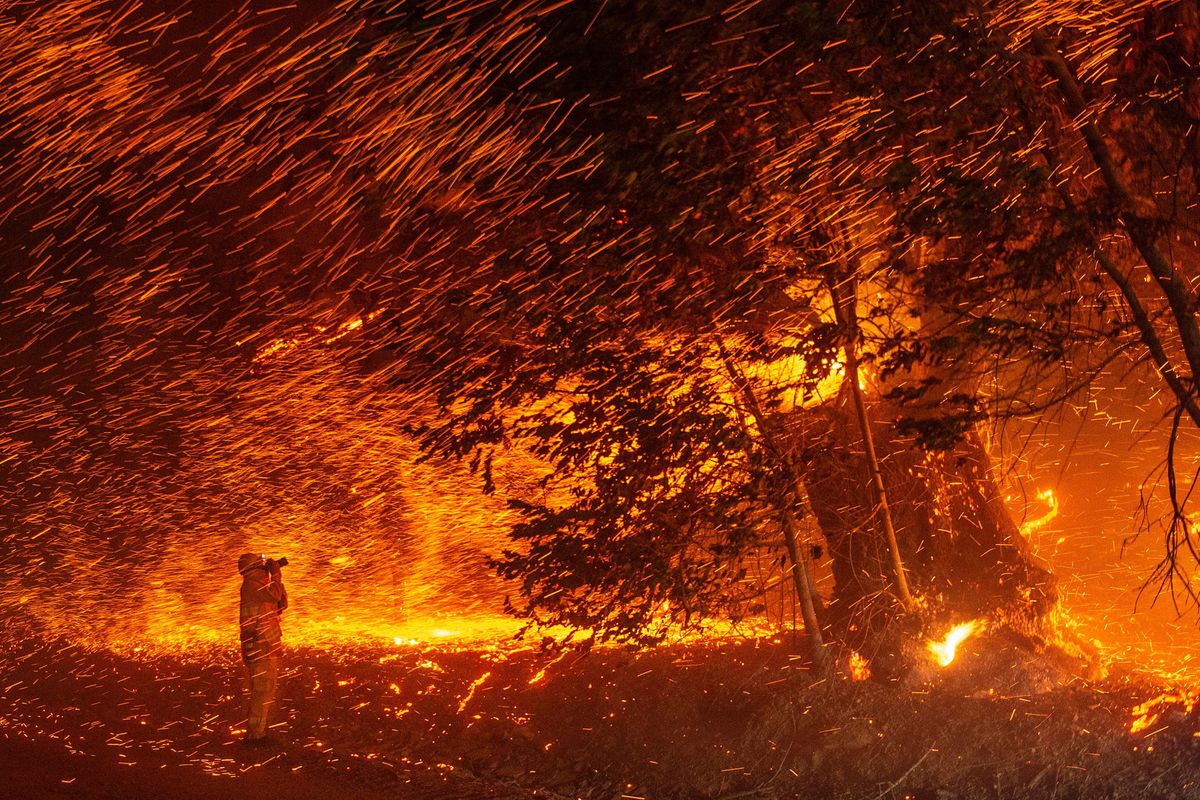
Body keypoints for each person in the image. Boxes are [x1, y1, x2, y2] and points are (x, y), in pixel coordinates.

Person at [237, 553, 288, 743]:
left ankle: (259, 732)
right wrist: (276, 575)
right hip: (259, 648)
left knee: (265, 692)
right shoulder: (251, 585)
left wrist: (277, 578)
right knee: (261, 692)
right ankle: (255, 736)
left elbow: (281, 603)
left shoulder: (260, 588)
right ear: (254, 569)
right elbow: (274, 594)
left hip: (267, 647)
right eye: (263, 567)